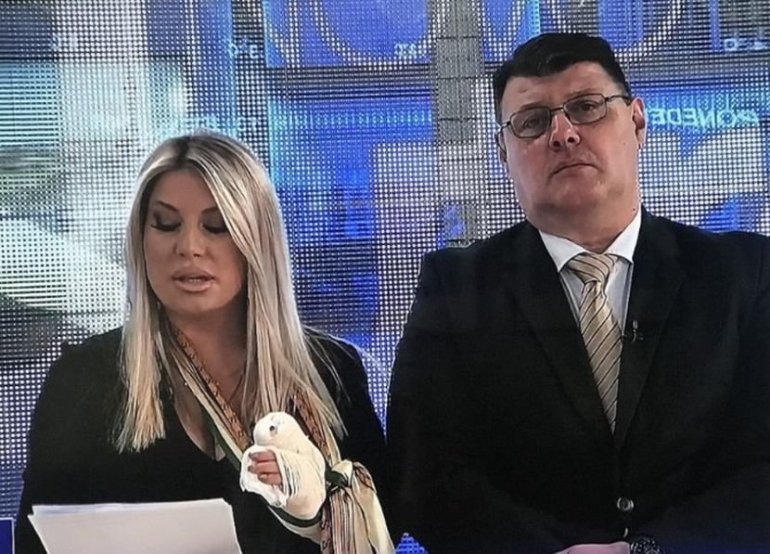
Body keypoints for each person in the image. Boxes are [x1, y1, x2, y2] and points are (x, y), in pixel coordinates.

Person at [387, 32, 770, 553]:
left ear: (637, 122)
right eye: (532, 121)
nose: (563, 134)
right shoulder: (455, 288)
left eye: (587, 107)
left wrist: (646, 550)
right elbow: (425, 473)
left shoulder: (743, 275)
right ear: (503, 153)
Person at [15, 132, 391, 554]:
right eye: (166, 224)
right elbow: (36, 542)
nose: (189, 247)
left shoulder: (331, 371)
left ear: (257, 239)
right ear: (140, 238)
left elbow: (383, 525)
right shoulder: (85, 380)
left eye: (216, 226)